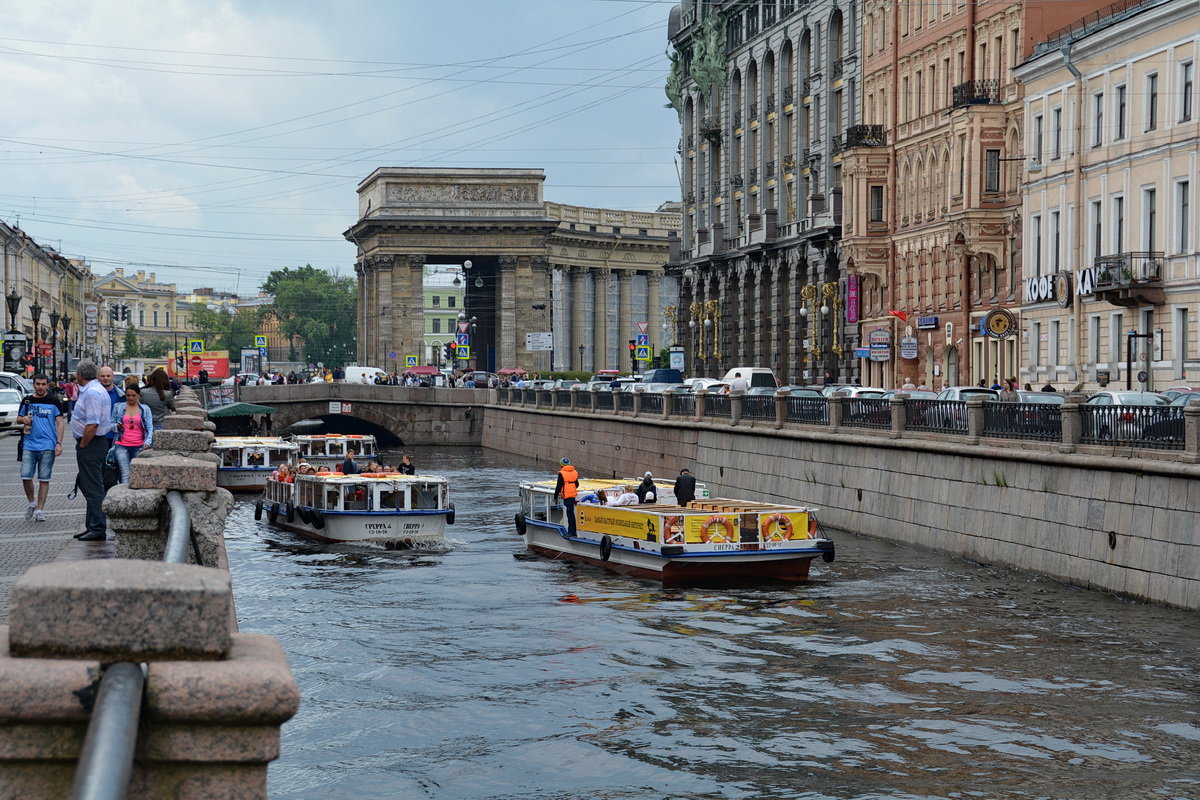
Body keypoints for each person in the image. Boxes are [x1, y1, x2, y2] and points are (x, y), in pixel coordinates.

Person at [72, 361, 114, 541]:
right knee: (89, 484)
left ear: (81, 375)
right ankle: (92, 525)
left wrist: (83, 444)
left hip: (92, 443)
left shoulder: (92, 393)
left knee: (94, 487)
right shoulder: (95, 390)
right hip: (95, 442)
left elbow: (93, 423)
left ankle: (97, 527)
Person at [18, 373, 67, 522]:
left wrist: (58, 443)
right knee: (25, 476)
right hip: (29, 444)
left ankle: (40, 509)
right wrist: (23, 418)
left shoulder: (53, 401)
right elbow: (19, 418)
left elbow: (60, 422)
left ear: (47, 385)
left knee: (44, 478)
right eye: (38, 384)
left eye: (43, 384)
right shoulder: (27, 401)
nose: (40, 387)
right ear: (34, 384)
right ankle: (32, 502)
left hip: (47, 445)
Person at [111, 385, 155, 484]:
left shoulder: (145, 409)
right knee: (125, 474)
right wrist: (117, 427)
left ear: (138, 395)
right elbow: (111, 423)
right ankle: (124, 497)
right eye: (128, 395)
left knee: (137, 473)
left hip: (139, 445)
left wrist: (147, 442)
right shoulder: (118, 407)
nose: (130, 398)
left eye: (133, 395)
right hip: (121, 445)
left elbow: (149, 427)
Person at [553, 457, 579, 537]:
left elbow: (558, 486)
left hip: (567, 495)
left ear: (561, 465)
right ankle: (572, 531)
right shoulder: (574, 472)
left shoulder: (562, 473)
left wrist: (555, 497)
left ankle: (571, 532)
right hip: (573, 495)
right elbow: (577, 484)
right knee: (571, 513)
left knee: (570, 514)